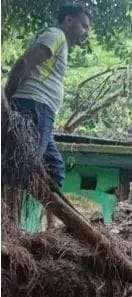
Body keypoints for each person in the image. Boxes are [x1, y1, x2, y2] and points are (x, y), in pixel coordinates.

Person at [5, 4, 91, 228]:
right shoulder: (56, 35)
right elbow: (24, 62)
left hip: (42, 112)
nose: (86, 32)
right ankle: (7, 224)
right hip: (34, 106)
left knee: (54, 168)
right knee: (22, 165)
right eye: (83, 25)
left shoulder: (59, 42)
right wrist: (6, 99)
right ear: (68, 20)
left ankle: (49, 227)